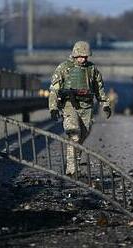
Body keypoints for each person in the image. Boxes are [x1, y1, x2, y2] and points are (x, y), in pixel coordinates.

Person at [48, 41, 111, 176]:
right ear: (75, 54)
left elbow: (99, 88)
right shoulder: (64, 68)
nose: (83, 59)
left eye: (85, 57)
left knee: (82, 136)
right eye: (80, 56)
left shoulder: (91, 69)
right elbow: (54, 89)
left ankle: (74, 166)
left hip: (87, 106)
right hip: (69, 105)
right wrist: (53, 108)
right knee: (74, 135)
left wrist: (105, 104)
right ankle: (72, 171)